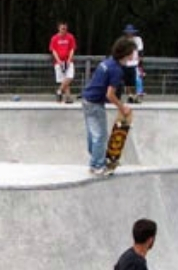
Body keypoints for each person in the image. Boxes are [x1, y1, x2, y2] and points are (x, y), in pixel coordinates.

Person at [81, 37, 137, 175]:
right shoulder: (116, 70)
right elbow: (110, 94)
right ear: (126, 53)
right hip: (95, 104)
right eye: (132, 52)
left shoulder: (107, 62)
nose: (133, 55)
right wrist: (122, 107)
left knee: (93, 134)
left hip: (86, 100)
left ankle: (95, 160)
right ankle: (97, 165)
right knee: (100, 135)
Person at [49, 22, 77, 104]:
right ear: (59, 28)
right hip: (59, 62)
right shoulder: (54, 38)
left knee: (70, 76)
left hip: (68, 61)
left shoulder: (70, 37)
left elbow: (72, 49)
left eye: (65, 28)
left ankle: (59, 91)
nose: (63, 30)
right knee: (63, 80)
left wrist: (69, 59)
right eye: (62, 28)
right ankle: (68, 97)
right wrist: (58, 61)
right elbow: (53, 50)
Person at [121, 24, 144, 103]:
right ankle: (130, 96)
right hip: (126, 63)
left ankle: (136, 96)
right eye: (128, 32)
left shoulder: (138, 39)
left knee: (136, 80)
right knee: (127, 81)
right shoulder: (124, 41)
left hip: (135, 63)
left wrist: (140, 63)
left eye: (131, 32)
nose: (129, 34)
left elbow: (140, 51)